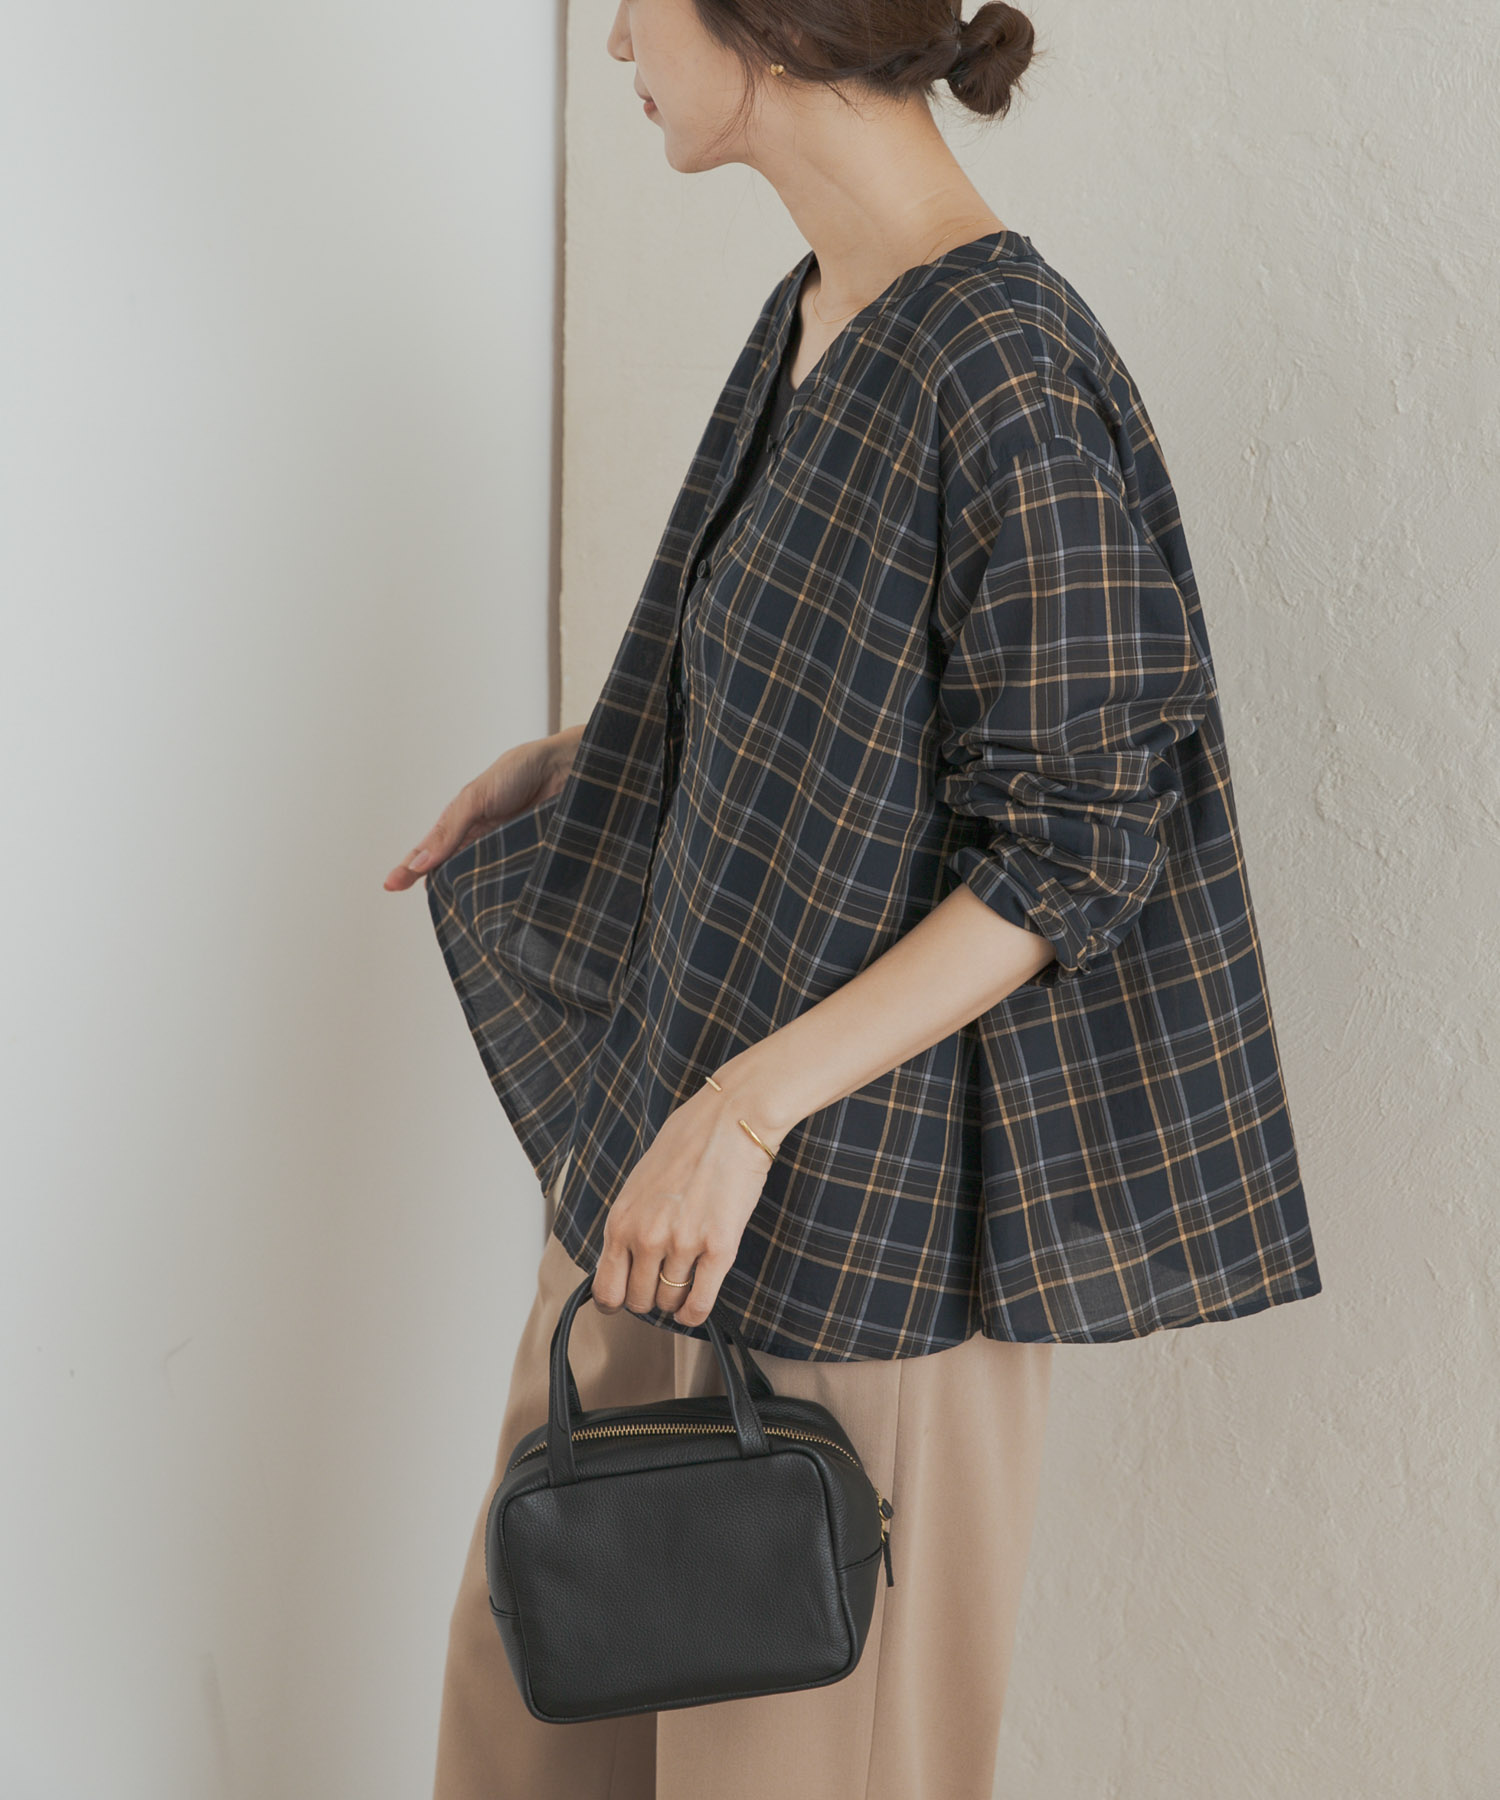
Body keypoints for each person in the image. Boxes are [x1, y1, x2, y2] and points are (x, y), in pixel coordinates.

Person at [385, 3, 1324, 1795]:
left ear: (767, 19)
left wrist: (744, 1115)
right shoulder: (827, 305)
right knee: (525, 1745)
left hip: (857, 1248)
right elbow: (857, 681)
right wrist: (593, 751)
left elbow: (1076, 842)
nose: (613, 41)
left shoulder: (1006, 369)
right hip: (666, 1191)